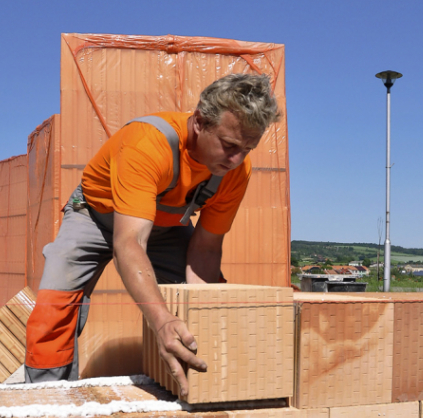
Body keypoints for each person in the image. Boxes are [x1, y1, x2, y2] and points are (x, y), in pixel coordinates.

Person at [24, 73, 280, 396]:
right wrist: (161, 320)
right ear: (200, 122)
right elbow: (128, 243)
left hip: (163, 228)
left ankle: (195, 386)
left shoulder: (235, 171)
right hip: (96, 214)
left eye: (248, 148)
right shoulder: (148, 144)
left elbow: (206, 248)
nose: (236, 160)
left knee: (201, 304)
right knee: (56, 304)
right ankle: (44, 399)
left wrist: (195, 312)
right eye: (229, 146)